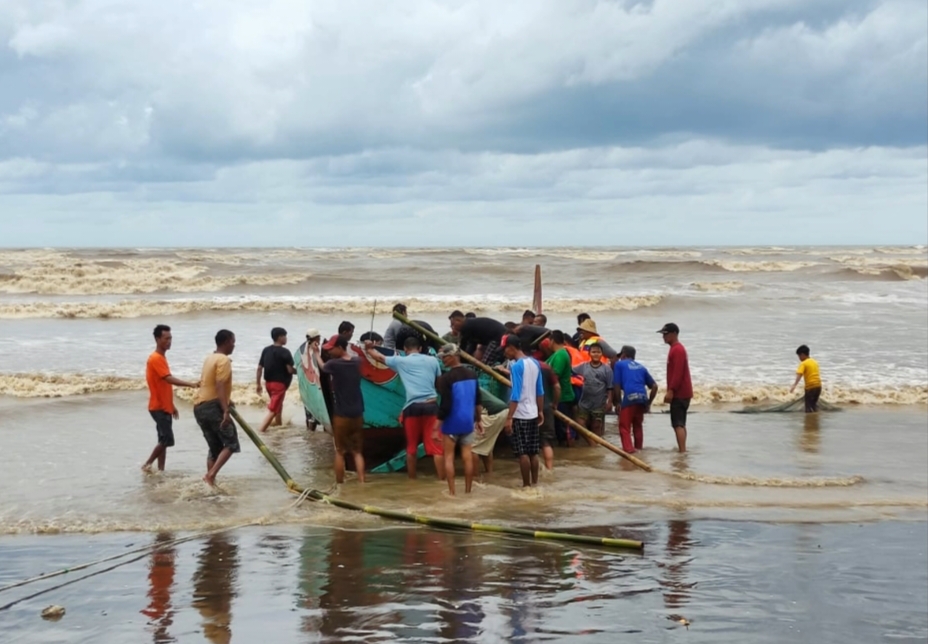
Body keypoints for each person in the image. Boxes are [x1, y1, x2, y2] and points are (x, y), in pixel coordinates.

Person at [365, 337, 444, 480]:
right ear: (419, 348)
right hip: (431, 406)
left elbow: (379, 357)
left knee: (412, 447)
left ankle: (412, 480)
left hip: (412, 408)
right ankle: (442, 480)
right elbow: (439, 383)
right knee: (436, 448)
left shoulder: (400, 361)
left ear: (406, 350)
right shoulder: (433, 361)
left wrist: (369, 348)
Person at [143, 324, 199, 472]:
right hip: (158, 407)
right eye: (166, 338)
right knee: (167, 440)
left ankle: (161, 470)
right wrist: (191, 384)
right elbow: (168, 379)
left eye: (170, 338)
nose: (169, 341)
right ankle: (147, 464)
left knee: (163, 440)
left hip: (163, 406)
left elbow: (162, 384)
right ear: (157, 339)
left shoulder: (161, 357)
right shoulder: (156, 358)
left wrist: (172, 405)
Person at [193, 329, 240, 486]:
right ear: (226, 341)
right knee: (231, 443)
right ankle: (210, 476)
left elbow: (210, 383)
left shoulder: (210, 358)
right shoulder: (224, 360)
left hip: (200, 407)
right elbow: (219, 384)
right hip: (213, 406)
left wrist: (228, 400)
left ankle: (210, 484)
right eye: (233, 341)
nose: (234, 345)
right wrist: (225, 409)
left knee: (215, 447)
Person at [436, 344, 482, 495]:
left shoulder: (445, 378)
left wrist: (436, 425)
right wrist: (479, 420)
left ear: (453, 356)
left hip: (451, 422)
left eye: (445, 357)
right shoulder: (472, 374)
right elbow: (478, 401)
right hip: (468, 421)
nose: (443, 360)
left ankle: (452, 492)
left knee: (448, 457)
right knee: (467, 457)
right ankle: (468, 491)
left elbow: (445, 405)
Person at [321, 337, 366, 483]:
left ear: (340, 347)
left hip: (342, 414)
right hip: (358, 413)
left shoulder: (334, 364)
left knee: (340, 452)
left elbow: (323, 368)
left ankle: (340, 484)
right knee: (357, 451)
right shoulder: (357, 362)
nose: (329, 351)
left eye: (331, 348)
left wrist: (316, 354)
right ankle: (362, 481)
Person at [502, 335, 544, 487]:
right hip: (532, 413)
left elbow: (515, 394)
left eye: (505, 349)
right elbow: (540, 391)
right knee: (533, 452)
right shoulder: (535, 363)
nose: (504, 353)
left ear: (512, 348)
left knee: (522, 453)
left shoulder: (516, 366)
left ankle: (526, 486)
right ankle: (535, 483)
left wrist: (509, 417)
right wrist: (540, 411)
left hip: (520, 414)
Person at [613, 345, 659, 453]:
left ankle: (629, 451)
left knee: (624, 427)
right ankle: (639, 449)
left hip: (630, 397)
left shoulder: (619, 365)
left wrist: (618, 403)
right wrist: (648, 403)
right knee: (637, 425)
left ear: (624, 355)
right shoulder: (641, 367)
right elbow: (655, 387)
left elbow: (617, 386)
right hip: (642, 398)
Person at [659, 323, 692, 452]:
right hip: (683, 392)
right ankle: (683, 449)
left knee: (677, 424)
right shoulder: (676, 348)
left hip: (680, 392)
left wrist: (671, 390)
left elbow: (677, 372)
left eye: (665, 334)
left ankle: (682, 451)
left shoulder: (677, 349)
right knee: (681, 423)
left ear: (674, 334)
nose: (663, 337)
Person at [256, 327, 296, 433]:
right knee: (273, 410)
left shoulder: (266, 350)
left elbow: (260, 368)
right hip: (279, 385)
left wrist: (258, 384)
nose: (286, 338)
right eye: (285, 336)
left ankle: (279, 424)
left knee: (278, 406)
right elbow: (290, 370)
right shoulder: (285, 352)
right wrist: (300, 371)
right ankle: (261, 431)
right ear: (280, 337)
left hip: (268, 384)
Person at [572, 343, 614, 442]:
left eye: (598, 352)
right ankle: (591, 444)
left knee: (596, 426)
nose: (596, 354)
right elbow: (570, 370)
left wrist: (609, 402)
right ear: (589, 354)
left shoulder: (607, 369)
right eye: (593, 352)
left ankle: (597, 446)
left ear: (602, 354)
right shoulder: (583, 366)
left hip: (599, 403)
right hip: (584, 403)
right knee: (580, 423)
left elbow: (610, 387)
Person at [545, 330, 577, 446]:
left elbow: (555, 375)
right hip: (557, 397)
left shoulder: (561, 355)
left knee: (565, 430)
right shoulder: (556, 355)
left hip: (563, 397)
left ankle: (569, 453)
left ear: (552, 341)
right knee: (560, 429)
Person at [537, 360, 561, 470]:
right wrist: (555, 404)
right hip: (546, 407)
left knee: (528, 442)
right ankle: (549, 469)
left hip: (528, 409)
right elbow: (557, 387)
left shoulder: (520, 366)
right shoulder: (546, 367)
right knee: (546, 441)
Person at [300, 328, 323, 430]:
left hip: (307, 385)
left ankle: (310, 435)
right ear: (316, 338)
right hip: (317, 384)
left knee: (309, 412)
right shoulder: (317, 350)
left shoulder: (302, 350)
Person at [790, 344, 822, 413]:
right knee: (813, 404)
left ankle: (811, 420)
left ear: (802, 354)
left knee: (808, 408)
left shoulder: (803, 363)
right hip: (818, 386)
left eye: (799, 356)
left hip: (810, 388)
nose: (799, 358)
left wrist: (794, 385)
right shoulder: (814, 362)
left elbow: (799, 374)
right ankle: (815, 418)